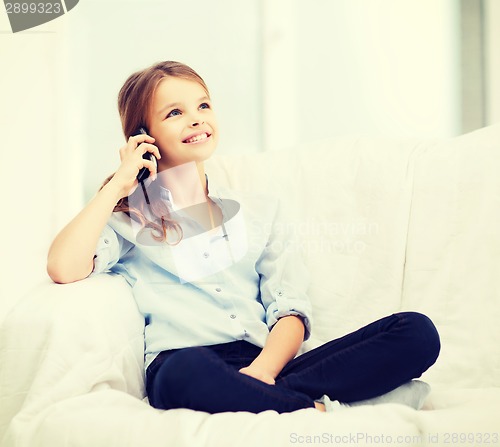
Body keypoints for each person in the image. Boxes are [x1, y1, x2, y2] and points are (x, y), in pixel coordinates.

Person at [47, 60, 441, 414]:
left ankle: (267, 397)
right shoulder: (129, 219)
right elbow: (63, 268)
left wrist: (261, 372)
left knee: (416, 332)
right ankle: (318, 411)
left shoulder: (261, 211)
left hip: (266, 361)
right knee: (182, 373)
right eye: (175, 113)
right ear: (143, 137)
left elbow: (289, 309)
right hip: (188, 362)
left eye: (203, 106)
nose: (197, 119)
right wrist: (118, 184)